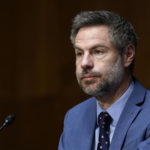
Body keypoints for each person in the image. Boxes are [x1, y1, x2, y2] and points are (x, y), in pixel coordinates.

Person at [58, 10, 150, 150]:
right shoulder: (74, 117)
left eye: (98, 51)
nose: (84, 63)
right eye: (79, 53)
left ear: (127, 55)